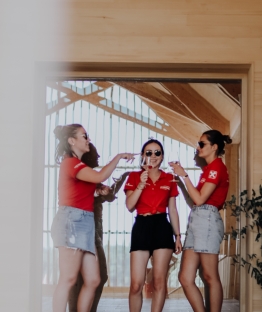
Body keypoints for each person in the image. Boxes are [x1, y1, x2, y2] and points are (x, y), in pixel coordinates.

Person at [51, 124, 135, 312]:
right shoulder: (70, 163)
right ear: (72, 141)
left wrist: (99, 191)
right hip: (72, 221)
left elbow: (83, 190)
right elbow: (99, 176)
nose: (88, 139)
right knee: (68, 278)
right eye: (84, 136)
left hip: (86, 222)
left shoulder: (80, 166)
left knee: (93, 279)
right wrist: (119, 157)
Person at [169, 130, 232, 312]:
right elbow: (195, 201)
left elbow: (200, 199)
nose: (198, 147)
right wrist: (181, 182)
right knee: (185, 277)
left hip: (208, 220)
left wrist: (184, 175)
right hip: (197, 219)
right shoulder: (208, 170)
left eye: (202, 144)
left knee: (210, 276)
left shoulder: (217, 168)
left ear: (214, 147)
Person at [68, 143, 129, 312]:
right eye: (94, 153)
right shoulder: (84, 176)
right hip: (85, 229)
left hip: (93, 229)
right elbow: (105, 195)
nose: (98, 157)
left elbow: (107, 195)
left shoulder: (91, 178)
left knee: (90, 277)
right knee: (91, 277)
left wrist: (122, 179)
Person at [124, 139, 182, 312]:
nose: (153, 156)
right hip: (141, 226)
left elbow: (173, 209)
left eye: (157, 152)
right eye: (148, 152)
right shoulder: (134, 176)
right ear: (142, 155)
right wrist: (141, 185)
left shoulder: (169, 178)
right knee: (136, 284)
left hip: (162, 226)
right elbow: (129, 206)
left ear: (162, 156)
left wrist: (178, 236)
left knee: (158, 281)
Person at [175, 152, 211, 312]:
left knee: (207, 276)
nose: (195, 156)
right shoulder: (204, 175)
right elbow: (194, 203)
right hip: (196, 226)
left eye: (197, 152)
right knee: (195, 276)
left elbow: (197, 202)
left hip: (204, 227)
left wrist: (183, 179)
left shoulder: (211, 174)